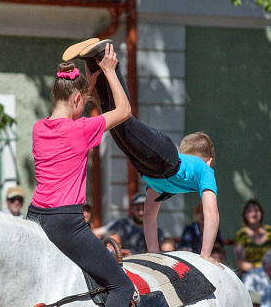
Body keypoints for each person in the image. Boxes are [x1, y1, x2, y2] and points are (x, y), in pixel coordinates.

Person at [25, 45, 139, 307]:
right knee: (121, 285)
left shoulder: (38, 129)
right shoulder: (81, 130)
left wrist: (86, 85)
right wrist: (108, 71)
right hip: (65, 224)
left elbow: (72, 109)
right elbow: (124, 110)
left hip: (35, 219)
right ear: (78, 99)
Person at [63, 38, 220, 263]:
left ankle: (94, 61)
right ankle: (109, 60)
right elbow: (211, 214)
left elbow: (148, 217)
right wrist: (205, 256)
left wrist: (155, 256)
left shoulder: (162, 186)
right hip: (163, 156)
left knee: (114, 120)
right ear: (209, 160)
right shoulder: (205, 170)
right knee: (124, 119)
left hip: (149, 167)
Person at [233, 199, 271, 274]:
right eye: (250, 211)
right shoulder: (241, 235)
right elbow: (240, 264)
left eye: (256, 211)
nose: (254, 214)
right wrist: (258, 268)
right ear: (245, 215)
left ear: (261, 213)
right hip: (250, 275)